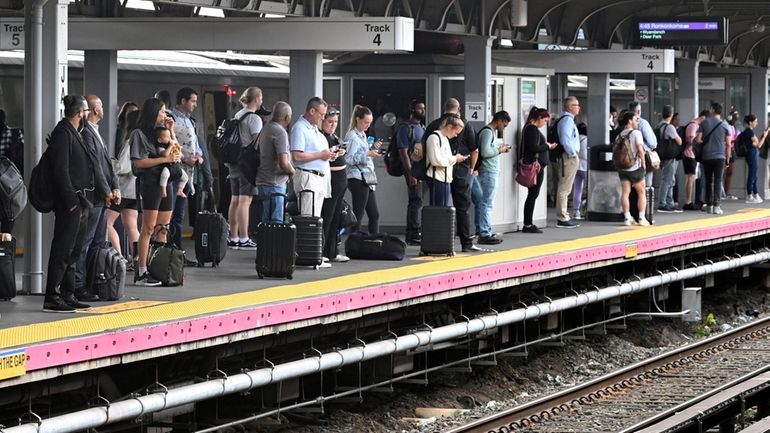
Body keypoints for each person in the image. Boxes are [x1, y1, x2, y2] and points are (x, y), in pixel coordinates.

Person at [42, 95, 111, 312]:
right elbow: (60, 171)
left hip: (81, 201)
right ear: (80, 113)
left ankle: (68, 293)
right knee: (63, 249)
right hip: (70, 203)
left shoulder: (74, 132)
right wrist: (72, 201)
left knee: (74, 250)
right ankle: (52, 297)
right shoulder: (63, 133)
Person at [130, 97, 182, 286]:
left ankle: (159, 268)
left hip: (166, 182)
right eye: (162, 111)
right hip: (150, 183)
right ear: (153, 112)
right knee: (148, 227)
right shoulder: (139, 134)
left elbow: (177, 152)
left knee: (163, 227)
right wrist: (163, 161)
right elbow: (137, 163)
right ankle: (141, 271)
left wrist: (172, 132)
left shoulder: (163, 132)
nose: (165, 115)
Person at [74, 94, 121, 302]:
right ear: (95, 109)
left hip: (102, 197)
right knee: (85, 241)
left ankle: (94, 281)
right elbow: (95, 167)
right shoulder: (86, 134)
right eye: (101, 105)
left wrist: (115, 187)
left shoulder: (95, 132)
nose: (104, 108)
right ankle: (79, 284)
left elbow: (107, 165)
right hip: (94, 197)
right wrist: (107, 191)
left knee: (98, 242)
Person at [424, 98, 481, 252]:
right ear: (458, 109)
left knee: (439, 208)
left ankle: (438, 242)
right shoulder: (465, 125)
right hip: (459, 171)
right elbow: (475, 149)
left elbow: (421, 148)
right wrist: (471, 170)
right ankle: (466, 243)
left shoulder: (433, 125)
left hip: (437, 175)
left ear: (444, 108)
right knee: (462, 207)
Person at [170, 88, 204, 263]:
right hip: (175, 173)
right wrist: (184, 158)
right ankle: (171, 253)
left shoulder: (191, 121)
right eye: (192, 101)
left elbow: (195, 143)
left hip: (189, 175)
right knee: (172, 215)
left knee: (179, 216)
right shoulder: (172, 119)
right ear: (183, 101)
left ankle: (177, 254)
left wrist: (199, 156)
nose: (195, 104)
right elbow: (168, 143)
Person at [227, 87, 263, 250]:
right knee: (245, 200)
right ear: (256, 99)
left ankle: (233, 237)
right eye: (260, 98)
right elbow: (257, 143)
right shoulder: (254, 118)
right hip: (247, 163)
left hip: (233, 162)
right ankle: (244, 237)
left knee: (234, 199)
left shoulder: (238, 115)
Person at [291, 97, 335, 219]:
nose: (323, 118)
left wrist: (329, 154)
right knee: (308, 218)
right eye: (321, 114)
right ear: (312, 111)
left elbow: (316, 152)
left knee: (315, 219)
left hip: (318, 178)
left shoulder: (314, 128)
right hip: (308, 177)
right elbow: (297, 155)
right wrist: (321, 155)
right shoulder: (300, 128)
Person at [106, 109, 140, 265]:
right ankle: (138, 258)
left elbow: (124, 167)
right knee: (132, 226)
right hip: (135, 190)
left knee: (107, 224)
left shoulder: (130, 140)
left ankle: (119, 259)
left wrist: (111, 163)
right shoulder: (142, 139)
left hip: (124, 189)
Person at [474, 111, 511, 245]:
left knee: (483, 202)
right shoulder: (488, 132)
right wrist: (499, 150)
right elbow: (485, 152)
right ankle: (485, 233)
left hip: (489, 171)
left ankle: (482, 230)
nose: (504, 127)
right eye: (504, 125)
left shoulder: (490, 133)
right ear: (499, 120)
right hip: (488, 171)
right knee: (487, 203)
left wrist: (499, 148)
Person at [255, 101, 295, 223]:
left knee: (266, 222)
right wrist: (292, 171)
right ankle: (273, 243)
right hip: (275, 184)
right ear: (287, 117)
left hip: (263, 181)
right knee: (276, 223)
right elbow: (283, 163)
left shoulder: (266, 128)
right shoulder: (280, 132)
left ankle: (266, 242)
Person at [344, 105, 381, 234]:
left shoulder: (362, 135)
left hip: (366, 177)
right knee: (358, 215)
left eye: (370, 123)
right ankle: (354, 243)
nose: (368, 125)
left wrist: (371, 149)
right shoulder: (352, 136)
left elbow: (362, 152)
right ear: (357, 119)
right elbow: (348, 159)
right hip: (357, 178)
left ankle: (374, 242)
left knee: (374, 214)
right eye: (366, 122)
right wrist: (367, 154)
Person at [394, 100, 426, 246]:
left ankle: (416, 231)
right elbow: (403, 152)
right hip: (412, 169)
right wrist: (411, 173)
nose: (423, 111)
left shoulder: (421, 127)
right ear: (412, 110)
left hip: (421, 168)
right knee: (415, 201)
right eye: (420, 108)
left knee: (418, 201)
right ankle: (412, 233)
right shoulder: (405, 128)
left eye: (424, 108)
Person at [521, 107, 557, 234]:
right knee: (533, 195)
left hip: (536, 166)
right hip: (535, 167)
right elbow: (534, 147)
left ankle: (528, 222)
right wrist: (547, 146)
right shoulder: (532, 129)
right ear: (539, 118)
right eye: (545, 121)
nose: (545, 124)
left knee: (532, 195)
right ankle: (528, 224)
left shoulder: (528, 128)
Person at [320, 108, 350, 263]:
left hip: (340, 180)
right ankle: (322, 251)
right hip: (331, 180)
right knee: (327, 216)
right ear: (322, 121)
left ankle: (333, 250)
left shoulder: (333, 137)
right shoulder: (321, 137)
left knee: (337, 218)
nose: (333, 125)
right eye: (330, 122)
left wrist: (341, 151)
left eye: (335, 122)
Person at [695, 102, 732, 215]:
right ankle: (717, 205)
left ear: (712, 110)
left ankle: (709, 205)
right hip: (720, 156)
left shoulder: (705, 123)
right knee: (717, 180)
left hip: (706, 156)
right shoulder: (726, 125)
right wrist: (728, 159)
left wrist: (706, 142)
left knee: (708, 180)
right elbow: (729, 144)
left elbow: (697, 139)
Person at [425, 114, 467, 206]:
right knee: (438, 209)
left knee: (443, 209)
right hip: (437, 178)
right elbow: (436, 160)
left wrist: (454, 158)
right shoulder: (434, 138)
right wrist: (455, 158)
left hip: (444, 179)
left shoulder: (444, 139)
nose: (456, 135)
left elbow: (443, 158)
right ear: (449, 127)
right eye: (456, 132)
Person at [616, 112, 649, 227]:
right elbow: (640, 149)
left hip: (622, 168)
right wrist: (644, 164)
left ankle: (627, 217)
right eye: (635, 119)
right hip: (635, 168)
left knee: (625, 193)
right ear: (629, 121)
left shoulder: (620, 134)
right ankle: (641, 217)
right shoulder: (636, 133)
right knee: (641, 193)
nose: (637, 122)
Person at [555, 96, 581, 228]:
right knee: (564, 187)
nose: (579, 107)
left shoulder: (568, 120)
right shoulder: (567, 121)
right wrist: (572, 154)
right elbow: (565, 140)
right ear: (569, 107)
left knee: (566, 187)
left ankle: (563, 215)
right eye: (576, 105)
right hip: (568, 156)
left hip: (568, 155)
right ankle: (562, 217)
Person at [656, 105, 683, 213]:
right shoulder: (669, 127)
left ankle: (669, 202)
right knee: (667, 180)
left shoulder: (659, 125)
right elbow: (679, 141)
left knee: (669, 179)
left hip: (662, 155)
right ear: (671, 115)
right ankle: (663, 203)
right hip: (669, 156)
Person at [682, 111, 708, 210]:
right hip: (689, 155)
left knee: (692, 178)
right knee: (690, 178)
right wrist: (700, 140)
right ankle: (688, 202)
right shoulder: (693, 125)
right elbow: (691, 140)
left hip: (691, 155)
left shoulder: (694, 125)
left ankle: (690, 201)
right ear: (702, 117)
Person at [740, 114, 768, 204]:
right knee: (752, 174)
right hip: (752, 154)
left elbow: (756, 144)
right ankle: (749, 195)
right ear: (750, 122)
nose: (757, 123)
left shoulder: (747, 132)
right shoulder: (749, 132)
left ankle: (755, 193)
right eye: (755, 121)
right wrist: (764, 136)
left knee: (754, 174)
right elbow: (759, 145)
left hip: (751, 154)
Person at [154, 127, 189, 198]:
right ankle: (163, 189)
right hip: (167, 166)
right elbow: (165, 154)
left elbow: (178, 148)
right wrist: (170, 146)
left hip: (175, 165)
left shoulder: (172, 144)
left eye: (170, 136)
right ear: (160, 140)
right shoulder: (161, 147)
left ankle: (180, 190)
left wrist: (177, 149)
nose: (169, 138)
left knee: (185, 177)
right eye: (167, 137)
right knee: (165, 175)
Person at [629, 101, 658, 186]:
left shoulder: (625, 123)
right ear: (639, 112)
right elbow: (652, 143)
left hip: (629, 158)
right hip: (643, 157)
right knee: (646, 184)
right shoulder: (642, 123)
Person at [571, 122, 588, 220]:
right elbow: (586, 155)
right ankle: (586, 210)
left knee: (577, 189)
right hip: (585, 167)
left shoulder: (575, 139)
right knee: (589, 189)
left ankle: (576, 211)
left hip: (576, 166)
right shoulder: (587, 139)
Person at [722, 110, 739, 201]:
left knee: (730, 172)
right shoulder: (725, 125)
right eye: (734, 119)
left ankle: (726, 191)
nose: (735, 121)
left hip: (731, 149)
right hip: (725, 150)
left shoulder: (732, 126)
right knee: (723, 172)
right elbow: (726, 140)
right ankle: (722, 192)